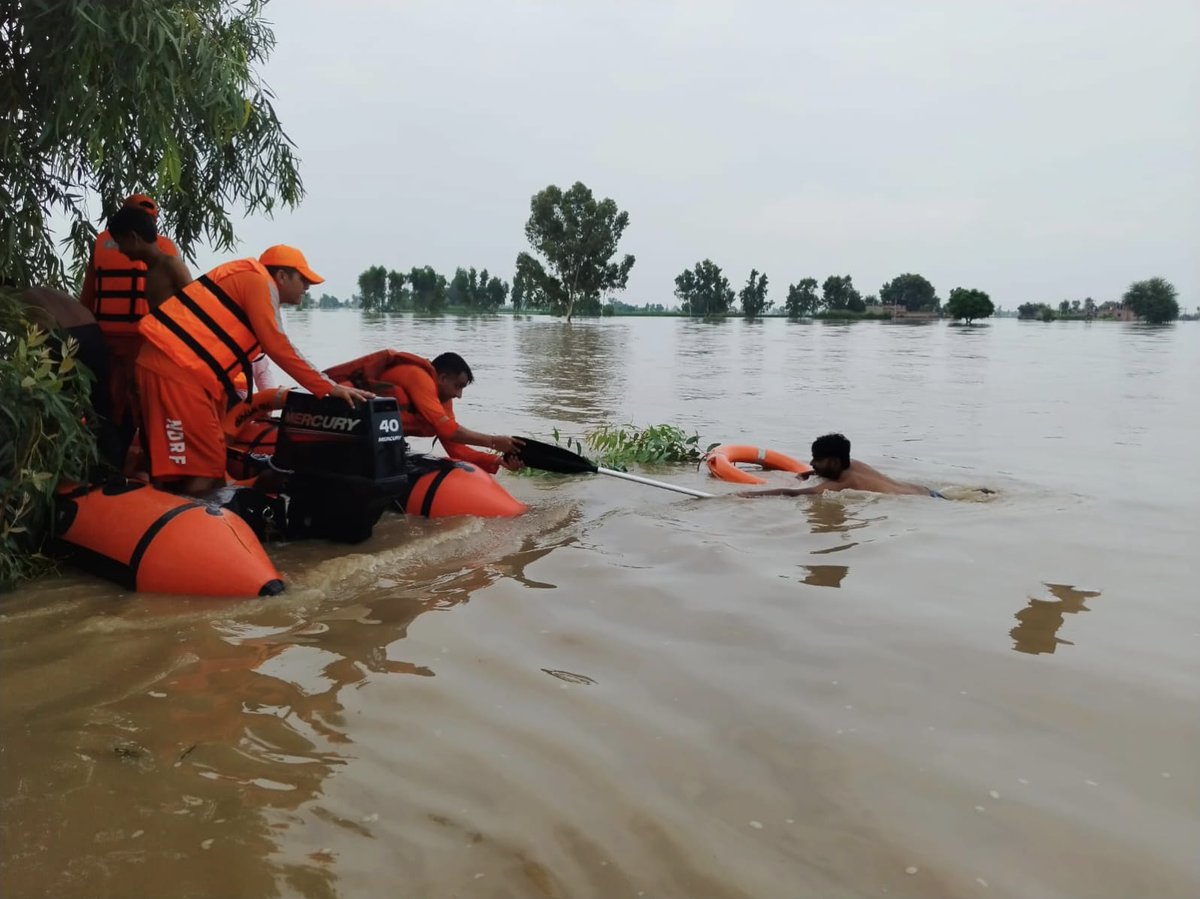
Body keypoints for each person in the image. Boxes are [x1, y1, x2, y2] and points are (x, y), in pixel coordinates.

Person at [135, 245, 373, 495]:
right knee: (208, 471)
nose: (307, 287)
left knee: (186, 468)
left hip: (171, 367)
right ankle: (197, 527)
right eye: (303, 279)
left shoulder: (249, 281)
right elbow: (278, 346)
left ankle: (170, 511)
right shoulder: (259, 282)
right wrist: (327, 387)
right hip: (177, 371)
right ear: (281, 276)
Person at [79, 194, 181, 458]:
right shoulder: (167, 249)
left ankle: (111, 458)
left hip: (105, 337)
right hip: (144, 341)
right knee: (143, 402)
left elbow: (87, 298)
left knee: (109, 402)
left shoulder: (100, 244)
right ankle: (150, 460)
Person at [323, 350, 523, 472]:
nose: (459, 395)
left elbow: (456, 449)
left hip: (374, 438)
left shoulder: (442, 401)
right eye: (458, 386)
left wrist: (497, 460)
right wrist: (494, 441)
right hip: (343, 425)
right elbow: (447, 430)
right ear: (442, 378)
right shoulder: (418, 377)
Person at [16, 286, 121, 469]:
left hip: (64, 337)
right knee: (101, 406)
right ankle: (112, 465)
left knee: (56, 406)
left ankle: (75, 464)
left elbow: (43, 328)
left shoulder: (17, 300)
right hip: (92, 332)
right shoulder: (40, 291)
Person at [739, 433, 946, 498]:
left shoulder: (843, 484)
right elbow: (813, 472)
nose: (812, 463)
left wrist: (744, 495)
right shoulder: (853, 464)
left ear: (835, 461)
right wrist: (803, 474)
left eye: (817, 459)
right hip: (929, 493)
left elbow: (791, 494)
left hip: (926, 501)